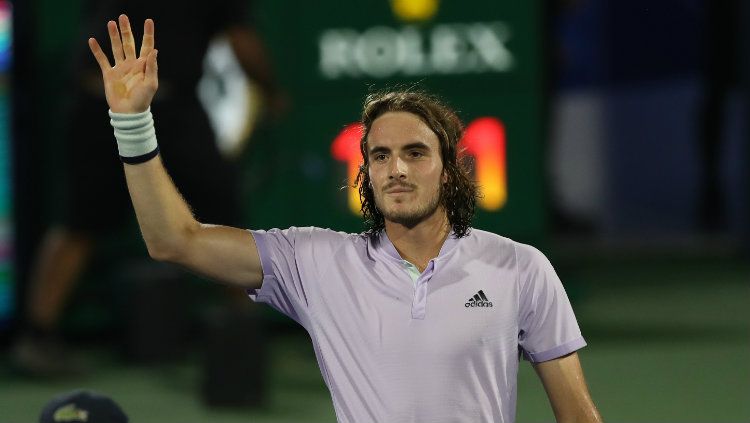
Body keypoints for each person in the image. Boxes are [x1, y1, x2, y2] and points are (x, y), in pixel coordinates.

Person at [87, 15, 603, 422]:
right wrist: (132, 123)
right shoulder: (313, 262)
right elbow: (174, 241)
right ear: (367, 172)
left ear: (449, 171)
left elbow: (578, 416)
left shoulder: (521, 268)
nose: (395, 169)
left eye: (415, 153)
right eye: (379, 156)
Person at [13, 0, 283, 376]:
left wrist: (268, 89)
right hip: (105, 103)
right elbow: (241, 40)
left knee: (222, 217)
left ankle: (242, 336)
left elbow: (239, 37)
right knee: (79, 222)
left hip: (172, 108)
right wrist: (271, 92)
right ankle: (37, 338)